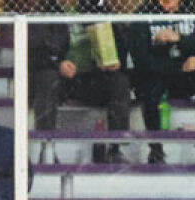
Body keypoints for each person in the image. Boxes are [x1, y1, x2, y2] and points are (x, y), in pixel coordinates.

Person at [29, 0, 132, 164]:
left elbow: (116, 43)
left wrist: (113, 60)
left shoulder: (95, 8)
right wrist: (58, 65)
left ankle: (115, 148)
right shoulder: (45, 10)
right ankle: (47, 147)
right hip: (61, 80)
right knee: (47, 78)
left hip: (90, 79)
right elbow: (34, 54)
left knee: (119, 81)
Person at [128, 0, 195, 164]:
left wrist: (180, 39)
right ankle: (156, 148)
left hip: (185, 78)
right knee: (146, 81)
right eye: (162, 1)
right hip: (160, 75)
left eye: (170, 1)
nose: (166, 6)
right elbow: (142, 61)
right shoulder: (144, 14)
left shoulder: (194, 7)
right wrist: (178, 65)